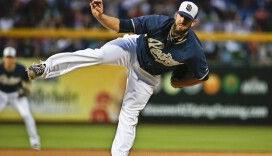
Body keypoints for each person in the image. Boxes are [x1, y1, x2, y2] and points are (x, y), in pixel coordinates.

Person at [26, 0, 209, 155]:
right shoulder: (158, 23)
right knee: (98, 55)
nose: (183, 20)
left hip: (148, 75)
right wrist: (100, 17)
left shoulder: (193, 50)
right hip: (132, 49)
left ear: (193, 23)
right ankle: (45, 67)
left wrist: (181, 83)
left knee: (129, 114)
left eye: (188, 19)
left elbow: (203, 76)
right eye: (182, 15)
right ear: (176, 14)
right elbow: (120, 26)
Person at [0, 47, 40, 150]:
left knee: (26, 115)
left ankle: (35, 141)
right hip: (1, 94)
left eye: (11, 57)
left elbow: (27, 82)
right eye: (7, 57)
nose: (9, 59)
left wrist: (26, 89)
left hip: (16, 95)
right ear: (3, 58)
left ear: (15, 58)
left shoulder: (21, 69)